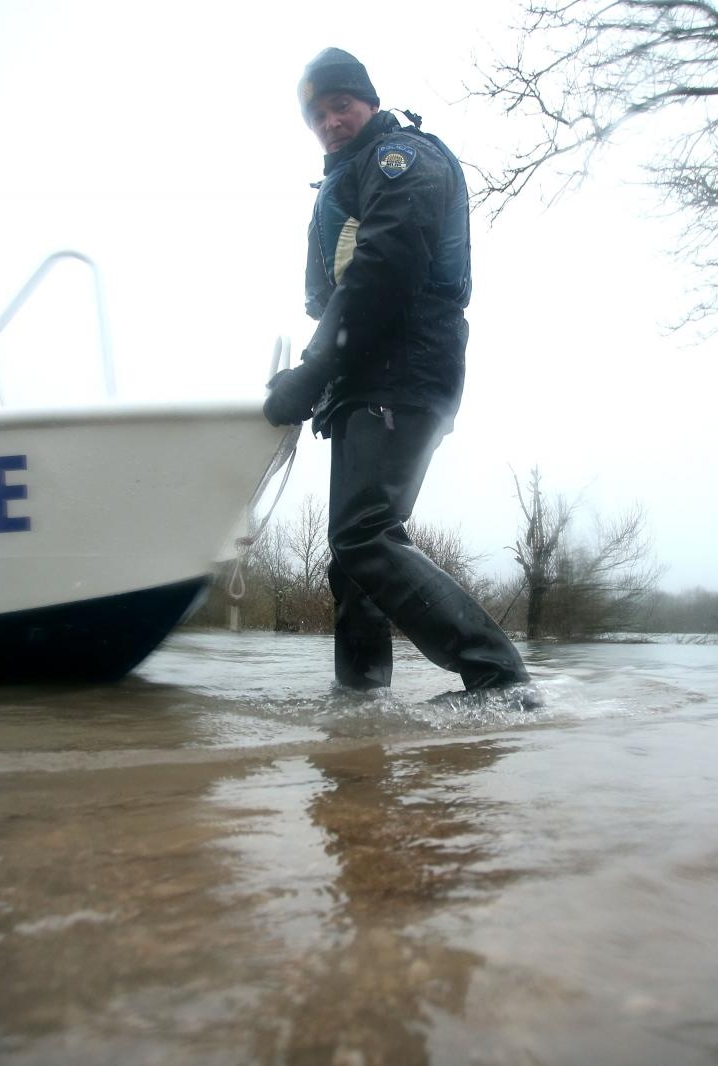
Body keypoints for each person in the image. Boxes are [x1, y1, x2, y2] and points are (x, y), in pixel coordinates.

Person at [264, 47, 531, 695]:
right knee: (351, 556)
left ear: (371, 103)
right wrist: (323, 381)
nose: (330, 122)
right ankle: (361, 703)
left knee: (364, 534)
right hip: (363, 378)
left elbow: (386, 266)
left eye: (341, 106)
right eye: (317, 116)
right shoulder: (346, 176)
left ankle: (499, 680)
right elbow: (337, 293)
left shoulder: (402, 159)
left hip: (404, 370)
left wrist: (312, 371)